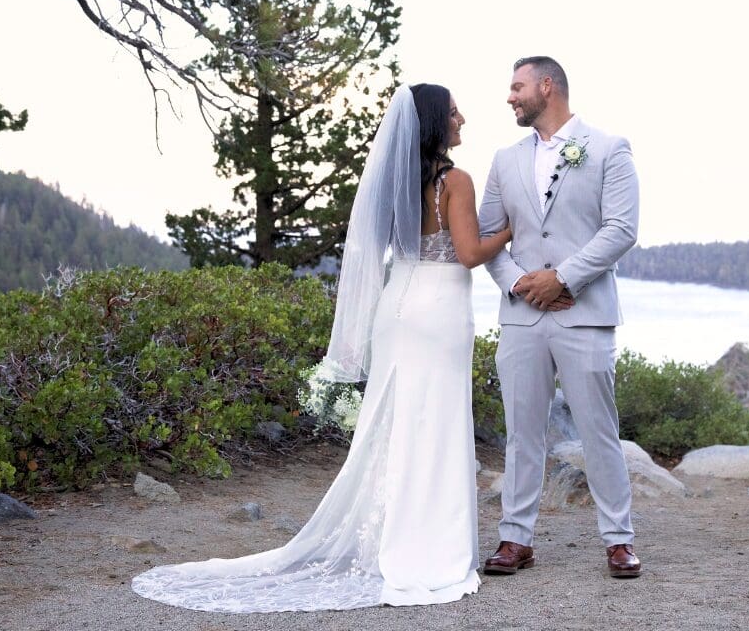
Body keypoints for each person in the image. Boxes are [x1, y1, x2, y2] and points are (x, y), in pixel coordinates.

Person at [131, 84, 516, 613]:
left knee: (395, 425)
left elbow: (373, 248)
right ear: (432, 123)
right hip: (440, 310)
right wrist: (511, 228)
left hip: (396, 307)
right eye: (453, 112)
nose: (462, 119)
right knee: (437, 424)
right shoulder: (456, 181)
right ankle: (428, 546)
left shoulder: (397, 181)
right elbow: (469, 253)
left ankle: (388, 538)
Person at [478, 56, 643, 578]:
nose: (510, 97)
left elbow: (620, 230)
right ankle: (515, 539)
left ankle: (618, 539)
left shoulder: (609, 149)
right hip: (523, 317)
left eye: (517, 87)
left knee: (599, 431)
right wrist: (520, 285)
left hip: (585, 314)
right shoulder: (505, 159)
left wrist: (563, 278)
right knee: (522, 432)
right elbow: (488, 237)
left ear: (547, 87)